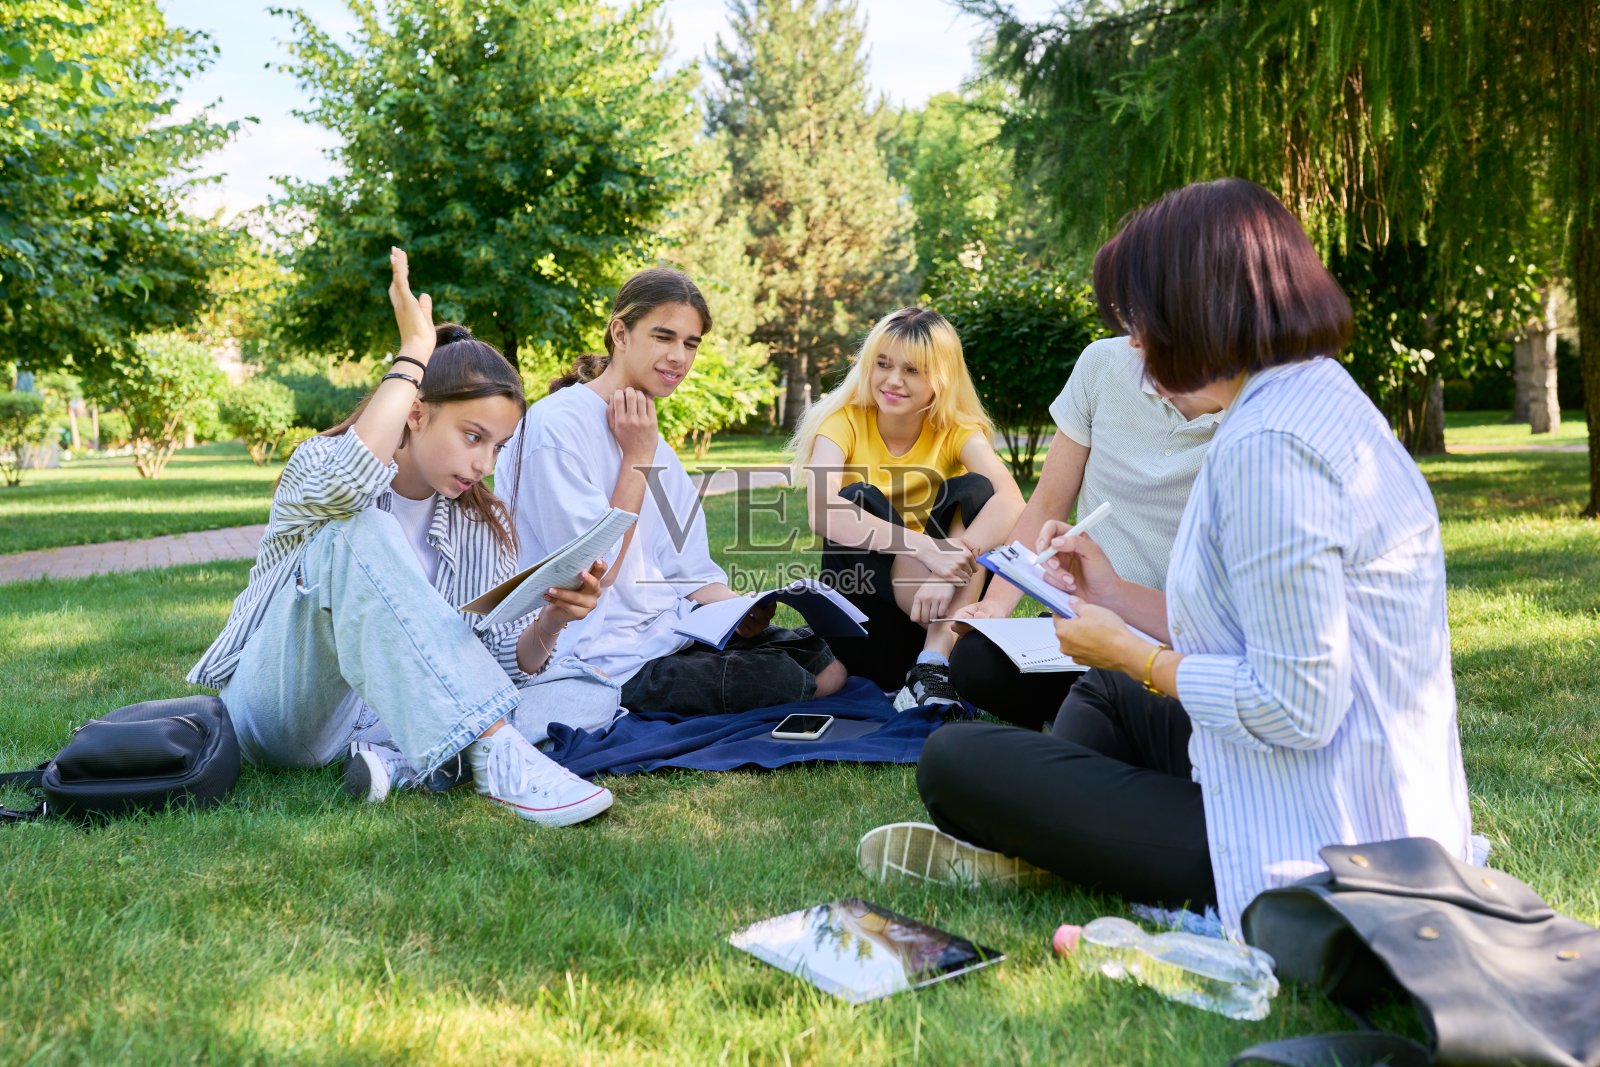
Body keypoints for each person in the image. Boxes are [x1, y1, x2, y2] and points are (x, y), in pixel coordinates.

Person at [873, 179, 1473, 931]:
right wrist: (1117, 595)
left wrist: (1136, 654)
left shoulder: (1268, 449)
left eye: (1143, 319)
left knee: (955, 759)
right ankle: (1062, 826)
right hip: (1366, 802)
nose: (1134, 344)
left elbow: (1298, 705)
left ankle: (1051, 835)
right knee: (1104, 693)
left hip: (1314, 840)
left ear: (1204, 310)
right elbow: (1260, 635)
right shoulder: (1314, 397)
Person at [188, 248, 618, 828]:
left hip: (392, 718)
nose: (484, 464)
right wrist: (414, 353)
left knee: (592, 689)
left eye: (496, 446)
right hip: (283, 712)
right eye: (472, 436)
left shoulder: (477, 523)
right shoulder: (321, 463)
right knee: (360, 528)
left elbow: (495, 666)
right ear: (415, 413)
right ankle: (490, 755)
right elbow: (348, 484)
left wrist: (553, 620)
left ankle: (401, 765)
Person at [497, 268, 848, 716]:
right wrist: (636, 458)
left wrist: (741, 611)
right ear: (620, 333)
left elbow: (690, 568)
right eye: (664, 337)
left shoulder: (648, 432)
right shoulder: (554, 429)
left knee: (825, 662)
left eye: (691, 343)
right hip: (603, 658)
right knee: (792, 679)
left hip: (675, 630)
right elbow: (590, 574)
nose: (679, 357)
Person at [947, 334, 1223, 728]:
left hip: (1181, 636)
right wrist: (996, 605)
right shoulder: (1103, 364)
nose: (1135, 338)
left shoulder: (1255, 413)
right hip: (1088, 618)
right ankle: (1107, 717)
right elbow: (1045, 504)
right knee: (976, 660)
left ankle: (1103, 717)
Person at [790, 308, 1024, 708]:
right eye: (883, 364)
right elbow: (822, 511)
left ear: (941, 378)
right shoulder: (840, 420)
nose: (893, 381)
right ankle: (928, 665)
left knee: (976, 491)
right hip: (866, 629)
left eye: (913, 370)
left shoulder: (956, 429)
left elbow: (1012, 502)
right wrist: (923, 547)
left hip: (939, 618)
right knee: (860, 500)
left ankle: (932, 665)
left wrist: (946, 570)